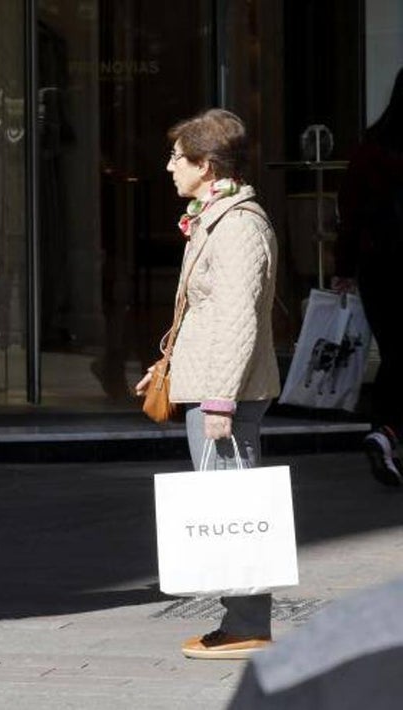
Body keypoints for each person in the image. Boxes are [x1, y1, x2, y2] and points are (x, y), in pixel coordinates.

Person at [136, 108, 282, 659]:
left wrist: (219, 398)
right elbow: (206, 311)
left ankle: (246, 625)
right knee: (224, 503)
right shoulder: (216, 217)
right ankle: (238, 620)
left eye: (178, 158)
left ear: (206, 164)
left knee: (233, 510)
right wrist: (170, 361)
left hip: (228, 392)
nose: (169, 166)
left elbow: (238, 317)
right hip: (211, 382)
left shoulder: (239, 225)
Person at [332, 67, 403, 487]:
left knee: (395, 351)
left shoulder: (370, 148)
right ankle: (386, 433)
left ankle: (385, 434)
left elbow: (350, 215)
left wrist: (343, 269)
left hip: (380, 268)